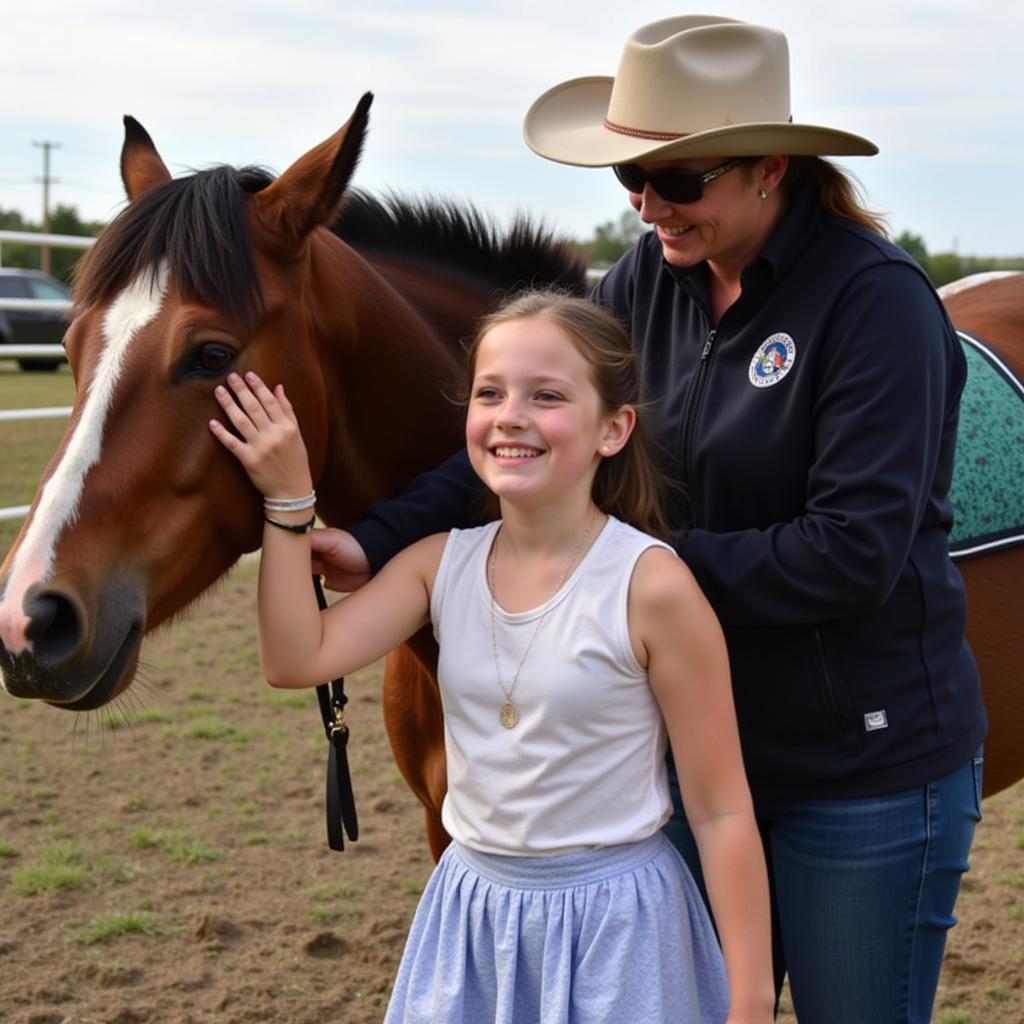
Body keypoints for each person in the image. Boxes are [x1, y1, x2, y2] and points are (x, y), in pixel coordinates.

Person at [309, 15, 989, 1024]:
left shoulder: (874, 304)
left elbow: (851, 553)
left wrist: (627, 574)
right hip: (683, 753)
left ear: (769, 167)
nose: (645, 204)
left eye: (678, 181)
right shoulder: (639, 283)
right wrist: (375, 537)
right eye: (629, 177)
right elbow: (525, 443)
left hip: (856, 764)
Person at [209, 290, 774, 1024]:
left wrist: (752, 1001)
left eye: (547, 395)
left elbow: (721, 808)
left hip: (618, 927)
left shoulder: (652, 584)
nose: (511, 414)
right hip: (472, 916)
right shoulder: (435, 565)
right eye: (489, 392)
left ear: (613, 429)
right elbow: (295, 658)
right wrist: (288, 503)